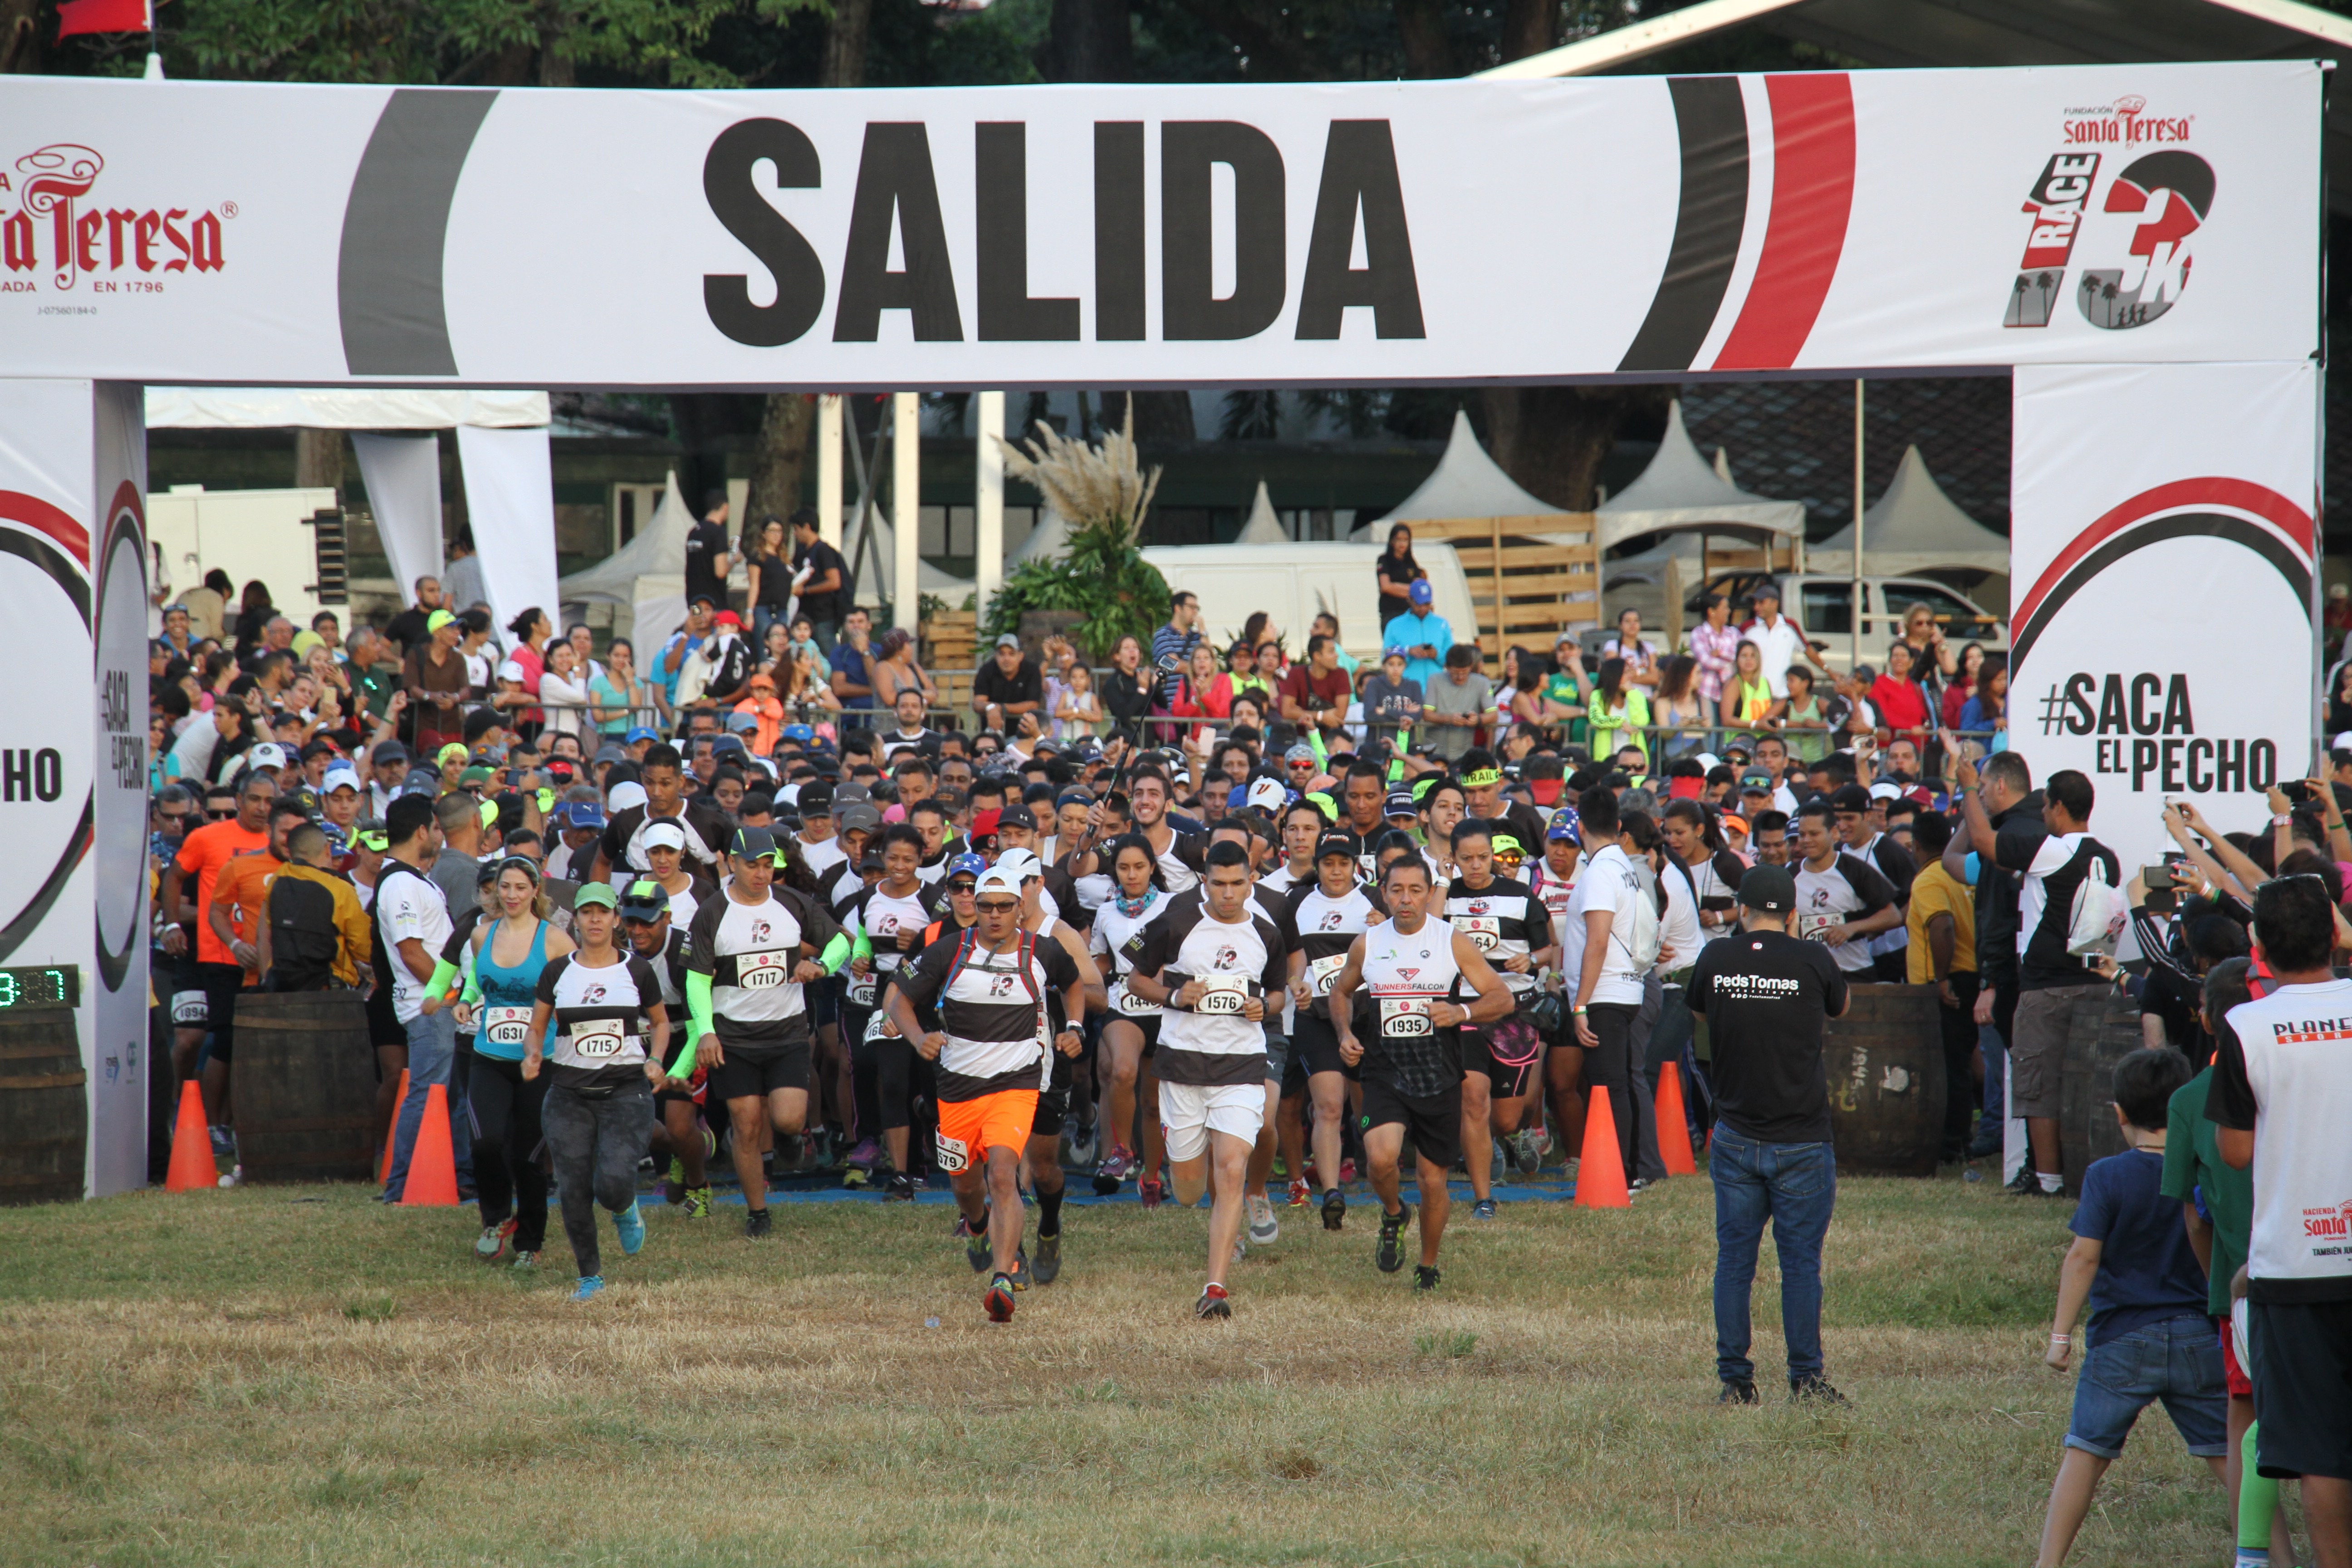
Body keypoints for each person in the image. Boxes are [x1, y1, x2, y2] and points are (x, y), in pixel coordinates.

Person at [2207, 875, 2352, 1566]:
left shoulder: (2245, 1027)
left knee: (2322, 1450)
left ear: (2256, 947)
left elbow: (2235, 1152)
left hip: (2295, 1264)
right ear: (2335, 932)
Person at [2034, 1046, 2225, 1566]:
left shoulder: (2107, 1176)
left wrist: (2059, 1338)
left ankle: (2046, 1563)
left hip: (2121, 1341)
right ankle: (2276, 1552)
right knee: (2229, 1456)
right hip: (2198, 1336)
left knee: (2086, 1453)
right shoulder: (2203, 1169)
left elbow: (2083, 1257)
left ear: (2118, 1112)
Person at [885, 863, 1085, 1323]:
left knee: (1003, 1174)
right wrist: (919, 1040)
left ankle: (1003, 1275)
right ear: (974, 908)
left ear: (1020, 908)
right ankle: (977, 1227)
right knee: (965, 1182)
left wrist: (1073, 1026)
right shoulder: (949, 951)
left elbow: (1074, 982)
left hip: (1016, 1084)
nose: (994, 916)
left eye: (1004, 907)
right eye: (985, 907)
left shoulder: (1043, 951)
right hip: (956, 1087)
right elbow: (900, 999)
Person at [1688, 862, 1850, 1405]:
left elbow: (1698, 1010)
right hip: (1802, 1136)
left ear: (1742, 910)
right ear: (1793, 913)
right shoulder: (1812, 957)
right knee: (1800, 1263)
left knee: (1735, 1261)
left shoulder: (1717, 958)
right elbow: (1841, 1006)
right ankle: (1806, 1379)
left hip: (1735, 1132)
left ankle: (1735, 1380)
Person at [1326, 854, 1513, 1290]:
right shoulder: (1368, 943)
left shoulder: (1452, 940)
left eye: (1415, 890)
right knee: (1381, 1158)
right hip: (1384, 1071)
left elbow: (1502, 997)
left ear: (1430, 893)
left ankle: (1428, 1266)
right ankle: (1393, 1212)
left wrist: (1461, 1010)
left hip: (1439, 1075)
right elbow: (1340, 991)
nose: (1406, 900)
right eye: (1396, 890)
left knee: (1433, 1182)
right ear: (1384, 892)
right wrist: (1343, 1033)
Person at [1123, 841, 1289, 1319]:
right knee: (1191, 1188)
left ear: (1251, 881)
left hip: (1241, 1065)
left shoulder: (1266, 933)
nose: (1229, 894)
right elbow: (1136, 981)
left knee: (1233, 1166)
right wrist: (1175, 996)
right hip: (1182, 1069)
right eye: (1219, 884)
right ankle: (1190, 1181)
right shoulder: (1177, 923)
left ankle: (1215, 1288)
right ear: (1205, 881)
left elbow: (1277, 995)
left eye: (1238, 883)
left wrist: (1266, 1007)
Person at [672, 827, 849, 1238]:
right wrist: (708, 1033)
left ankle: (791, 1139)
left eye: (768, 865)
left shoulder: (793, 903)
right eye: (752, 865)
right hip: (733, 1038)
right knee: (747, 1123)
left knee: (788, 1119)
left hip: (787, 1034)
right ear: (732, 863)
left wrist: (821, 965)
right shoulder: (712, 912)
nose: (761, 873)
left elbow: (841, 941)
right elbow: (696, 981)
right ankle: (758, 1212)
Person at [1957, 760, 2119, 1197]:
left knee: (2037, 1084)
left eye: (2046, 806)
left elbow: (1981, 841)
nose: (2042, 814)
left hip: (2046, 986)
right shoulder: (2107, 856)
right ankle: (2083, 1174)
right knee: (2084, 1083)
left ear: (2060, 808)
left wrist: (1969, 788)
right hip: (2095, 982)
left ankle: (2049, 1182)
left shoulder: (2054, 849)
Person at [520, 882, 668, 1302]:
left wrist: (655, 1058)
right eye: (587, 913)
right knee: (573, 1188)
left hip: (626, 1091)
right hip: (569, 1095)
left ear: (616, 919)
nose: (595, 920)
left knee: (614, 1183)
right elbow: (537, 1027)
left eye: (603, 913)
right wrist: (533, 1055)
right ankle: (590, 1276)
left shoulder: (636, 970)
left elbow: (660, 1023)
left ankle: (624, 1207)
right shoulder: (558, 971)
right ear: (577, 921)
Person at [451, 857, 571, 1267]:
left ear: (535, 890)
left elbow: (575, 986)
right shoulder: (481, 936)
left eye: (521, 887)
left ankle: (530, 1245)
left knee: (528, 1157)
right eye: (505, 887)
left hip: (540, 1062)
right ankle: (497, 1219)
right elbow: (477, 980)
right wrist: (466, 1002)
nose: (513, 895)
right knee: (485, 1143)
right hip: (488, 1056)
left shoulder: (554, 940)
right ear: (495, 891)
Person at [1442, 819, 1552, 1219]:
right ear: (1452, 859)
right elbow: (1426, 931)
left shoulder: (1520, 896)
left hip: (1512, 1012)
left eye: (1483, 857)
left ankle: (1515, 1135)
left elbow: (1548, 949)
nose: (1475, 866)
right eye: (1466, 859)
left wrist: (1533, 959)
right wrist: (1440, 883)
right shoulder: (1444, 896)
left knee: (1505, 1118)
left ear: (1494, 855)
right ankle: (1483, 1197)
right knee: (1474, 1101)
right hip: (1464, 1011)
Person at [1282, 831, 1384, 1230]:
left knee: (1366, 1108)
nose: (1337, 871)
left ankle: (1374, 1173)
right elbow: (1289, 958)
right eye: (1329, 863)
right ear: (1318, 865)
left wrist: (1387, 925)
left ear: (1355, 865)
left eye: (1344, 863)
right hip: (1317, 1018)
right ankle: (1331, 1194)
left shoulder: (1375, 899)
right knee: (1328, 1105)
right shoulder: (1296, 902)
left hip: (1368, 1017)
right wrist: (1295, 984)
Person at [377, 793, 476, 1201]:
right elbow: (412, 952)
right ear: (422, 831)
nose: (441, 836)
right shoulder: (400, 882)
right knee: (428, 1093)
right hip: (430, 1007)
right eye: (436, 828)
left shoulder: (411, 879)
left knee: (445, 1096)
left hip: (438, 1006)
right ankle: (401, 1186)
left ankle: (453, 1176)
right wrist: (450, 993)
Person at [1088, 835, 1173, 1202]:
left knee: (1154, 1103)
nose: (1132, 874)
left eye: (1139, 867)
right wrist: (1091, 976)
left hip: (1166, 1005)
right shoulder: (1106, 912)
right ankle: (1123, 1151)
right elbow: (1100, 957)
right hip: (1122, 1003)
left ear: (1152, 868)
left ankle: (1152, 1178)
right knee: (1123, 1071)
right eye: (1124, 868)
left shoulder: (1174, 906)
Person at [1905, 809, 1980, 1163]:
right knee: (1959, 1064)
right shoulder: (1964, 874)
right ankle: (1959, 1138)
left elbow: (1943, 927)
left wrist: (1941, 977)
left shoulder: (1928, 879)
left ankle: (1950, 1143)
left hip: (1944, 983)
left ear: (1916, 845)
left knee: (1946, 1066)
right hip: (1971, 976)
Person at [258, 821, 371, 991]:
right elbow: (364, 948)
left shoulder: (276, 881)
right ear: (327, 850)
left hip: (281, 986)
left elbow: (266, 933)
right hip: (328, 989)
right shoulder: (340, 890)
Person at [1740, 581, 1829, 699]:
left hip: (1781, 696)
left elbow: (1808, 650)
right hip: (1753, 696)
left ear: (1775, 603)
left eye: (1761, 603)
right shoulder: (1747, 628)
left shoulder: (1790, 626)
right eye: (1755, 603)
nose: (1756, 607)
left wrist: (1829, 671)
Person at [1422, 644, 1492, 764]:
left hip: (1465, 750)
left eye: (1464, 672)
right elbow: (1427, 714)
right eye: (1455, 673)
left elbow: (1493, 715)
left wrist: (1477, 720)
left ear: (1471, 667)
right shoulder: (1434, 680)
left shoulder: (1482, 683)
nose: (1460, 677)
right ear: (1447, 668)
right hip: (1435, 750)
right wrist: (1449, 719)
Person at [1382, 579, 1450, 690]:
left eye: (1427, 604)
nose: (1423, 608)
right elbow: (1385, 657)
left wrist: (1436, 654)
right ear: (1409, 600)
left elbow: (1452, 658)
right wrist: (1409, 652)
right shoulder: (1394, 625)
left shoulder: (1442, 624)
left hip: (1438, 690)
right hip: (1406, 690)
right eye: (1419, 604)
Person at [972, 634, 1043, 734]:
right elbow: (978, 703)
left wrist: (1000, 708)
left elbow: (1033, 705)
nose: (1006, 659)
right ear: (996, 656)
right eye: (1002, 654)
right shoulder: (986, 670)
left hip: (1023, 734)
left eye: (1012, 654)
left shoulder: (1032, 671)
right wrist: (990, 708)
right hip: (992, 732)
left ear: (1021, 656)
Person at [686, 489, 732, 610]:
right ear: (725, 507)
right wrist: (734, 561)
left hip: (693, 599)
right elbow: (720, 572)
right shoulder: (719, 532)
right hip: (713, 601)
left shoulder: (694, 532)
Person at [1375, 523, 1423, 628]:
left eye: (1406, 540)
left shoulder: (1411, 563)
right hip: (1391, 613)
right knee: (1394, 645)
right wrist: (1410, 591)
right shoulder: (1384, 560)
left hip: (1410, 613)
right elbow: (1386, 587)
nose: (1402, 544)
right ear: (1392, 541)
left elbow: (1419, 588)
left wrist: (1396, 587)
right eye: (1399, 539)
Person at [1602, 607, 1659, 689]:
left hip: (1645, 698)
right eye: (1627, 621)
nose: (1633, 624)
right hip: (1623, 697)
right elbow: (1614, 674)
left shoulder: (1648, 647)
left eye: (1636, 621)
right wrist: (1644, 674)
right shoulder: (1612, 646)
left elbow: (1655, 678)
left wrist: (1630, 675)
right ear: (1620, 626)